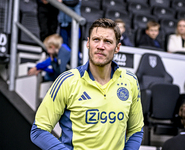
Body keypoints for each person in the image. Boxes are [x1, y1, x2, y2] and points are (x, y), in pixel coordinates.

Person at [30, 18, 144, 150]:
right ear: (88, 43)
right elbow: (38, 130)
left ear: (117, 47)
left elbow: (136, 130)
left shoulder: (130, 81)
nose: (100, 46)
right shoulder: (67, 81)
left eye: (107, 41)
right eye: (96, 40)